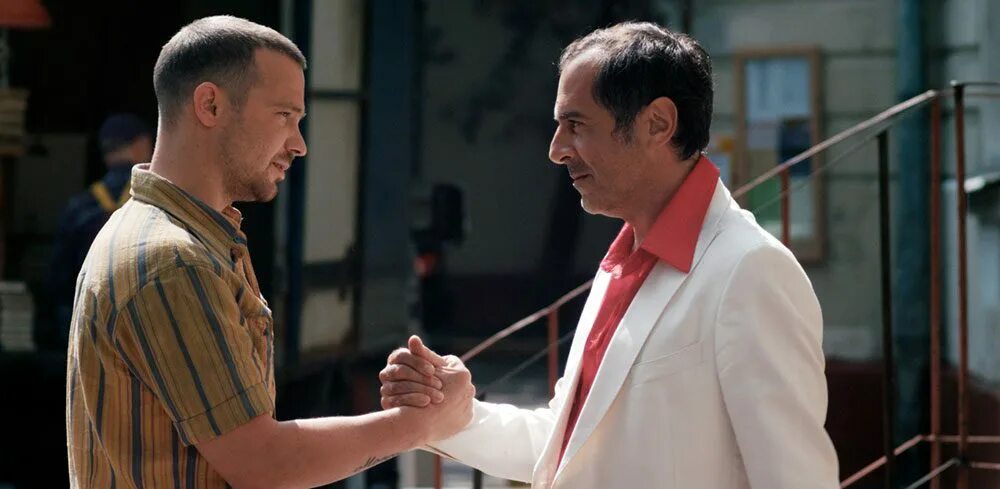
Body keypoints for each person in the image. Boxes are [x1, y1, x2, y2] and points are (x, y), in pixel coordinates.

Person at [379, 22, 840, 488]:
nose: (557, 150)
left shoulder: (751, 269)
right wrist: (457, 416)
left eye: (576, 125)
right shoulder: (623, 260)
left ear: (658, 124)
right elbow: (569, 447)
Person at [65, 16, 473, 489]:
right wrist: (423, 423)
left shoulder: (175, 236)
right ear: (210, 104)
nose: (299, 145)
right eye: (284, 116)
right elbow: (264, 464)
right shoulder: (173, 261)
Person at [46, 113, 152, 346]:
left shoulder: (78, 208)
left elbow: (57, 281)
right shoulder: (154, 204)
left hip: (86, 328)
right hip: (141, 332)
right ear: (142, 144)